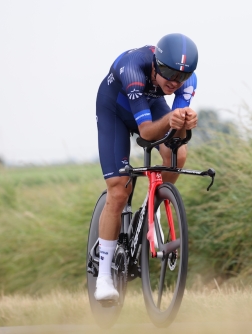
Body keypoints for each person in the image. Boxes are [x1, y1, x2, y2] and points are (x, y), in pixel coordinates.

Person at [94, 33, 198, 301]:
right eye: (168, 73)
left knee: (179, 153)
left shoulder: (185, 82)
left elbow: (174, 136)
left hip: (150, 105)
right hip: (115, 110)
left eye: (181, 77)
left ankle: (152, 207)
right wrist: (172, 120)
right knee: (119, 191)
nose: (174, 82)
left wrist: (185, 121)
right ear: (155, 63)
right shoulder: (133, 68)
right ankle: (104, 278)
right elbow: (148, 132)